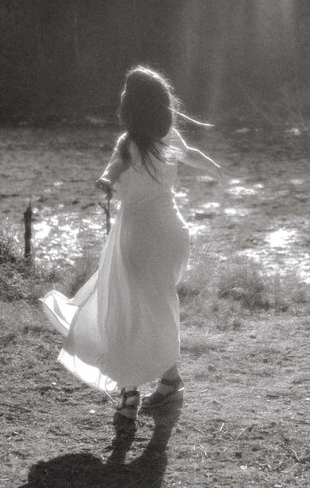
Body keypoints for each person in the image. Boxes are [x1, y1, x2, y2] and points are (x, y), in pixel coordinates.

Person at [41, 66, 223, 421]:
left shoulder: (128, 144)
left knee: (125, 311)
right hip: (173, 234)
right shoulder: (169, 137)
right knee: (157, 308)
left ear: (131, 106)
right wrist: (216, 168)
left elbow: (115, 169)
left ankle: (130, 393)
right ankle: (169, 382)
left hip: (139, 236)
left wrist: (106, 182)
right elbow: (193, 157)